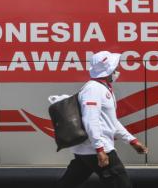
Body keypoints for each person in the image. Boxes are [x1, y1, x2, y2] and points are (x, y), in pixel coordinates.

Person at [56, 51, 148, 188]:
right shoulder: (93, 89)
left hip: (88, 150)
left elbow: (111, 121)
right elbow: (90, 120)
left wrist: (132, 140)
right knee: (122, 184)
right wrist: (100, 149)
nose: (118, 70)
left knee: (66, 184)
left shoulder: (102, 88)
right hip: (96, 149)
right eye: (116, 67)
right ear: (109, 70)